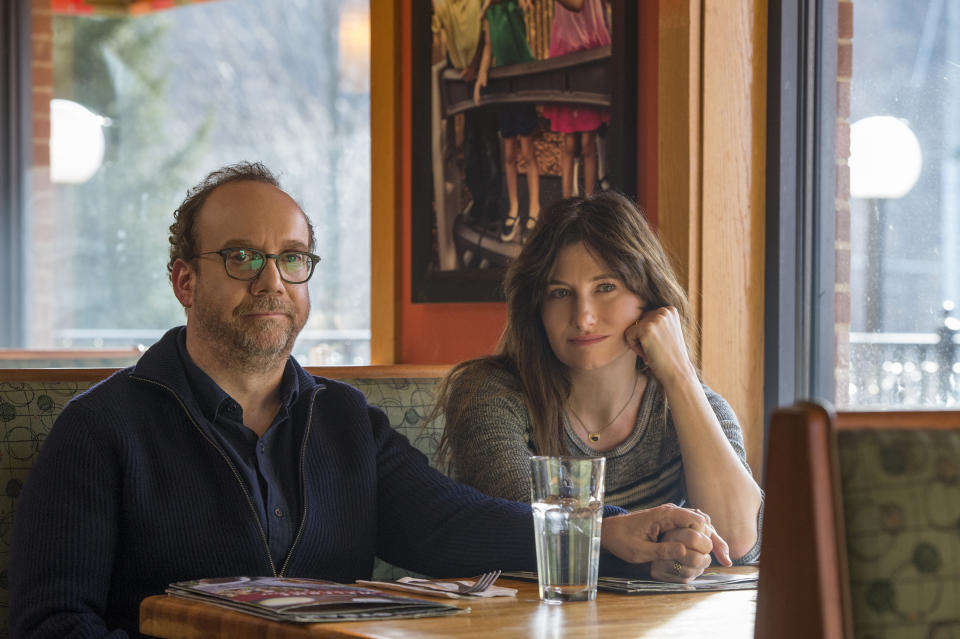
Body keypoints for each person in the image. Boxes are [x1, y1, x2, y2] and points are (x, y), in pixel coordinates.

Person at [10, 163, 730, 638]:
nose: (272, 282)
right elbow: (50, 623)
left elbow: (451, 523)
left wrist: (609, 530)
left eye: (292, 258)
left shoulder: (346, 420)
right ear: (184, 281)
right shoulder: (100, 430)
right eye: (241, 257)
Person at [438, 191, 764, 574]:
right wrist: (657, 552)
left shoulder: (692, 403)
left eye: (605, 287)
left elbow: (737, 546)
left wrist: (680, 376)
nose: (584, 317)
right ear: (536, 308)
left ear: (647, 296)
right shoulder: (487, 394)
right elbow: (529, 530)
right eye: (560, 293)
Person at [474, 0, 541, 242]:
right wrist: (482, 74)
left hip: (521, 79)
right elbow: (490, 45)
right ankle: (514, 207)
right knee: (509, 152)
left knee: (527, 150)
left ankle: (534, 206)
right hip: (503, 83)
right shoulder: (488, 9)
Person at [541, 0, 611, 197]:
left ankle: (589, 202)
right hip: (566, 51)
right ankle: (566, 201)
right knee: (569, 142)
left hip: (588, 48)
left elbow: (577, 4)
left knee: (588, 141)